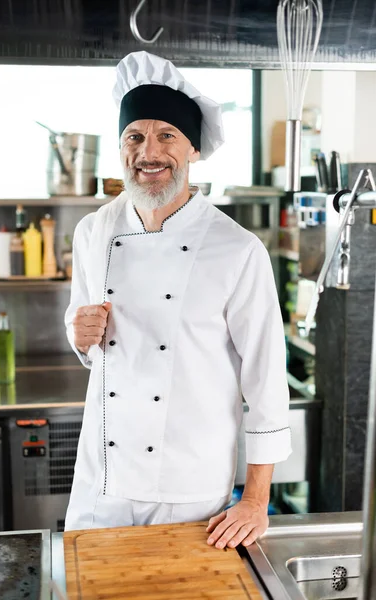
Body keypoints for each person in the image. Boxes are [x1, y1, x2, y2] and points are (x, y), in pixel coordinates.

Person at [64, 51, 291, 550]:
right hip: (101, 485)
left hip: (191, 492)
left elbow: (267, 382)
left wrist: (255, 499)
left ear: (192, 149)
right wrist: (77, 335)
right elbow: (88, 335)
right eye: (135, 136)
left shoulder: (237, 249)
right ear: (121, 148)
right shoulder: (92, 231)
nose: (149, 152)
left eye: (167, 135)